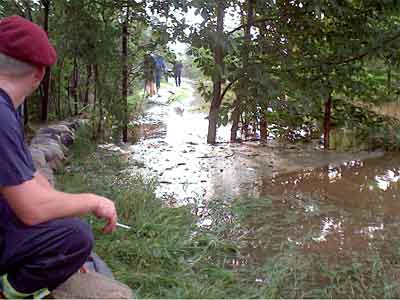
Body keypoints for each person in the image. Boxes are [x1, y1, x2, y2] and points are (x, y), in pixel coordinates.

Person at [0, 16, 118, 299]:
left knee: (62, 233)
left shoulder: (8, 108)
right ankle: (10, 292)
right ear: (39, 74)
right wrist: (94, 201)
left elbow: (29, 177)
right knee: (76, 237)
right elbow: (32, 208)